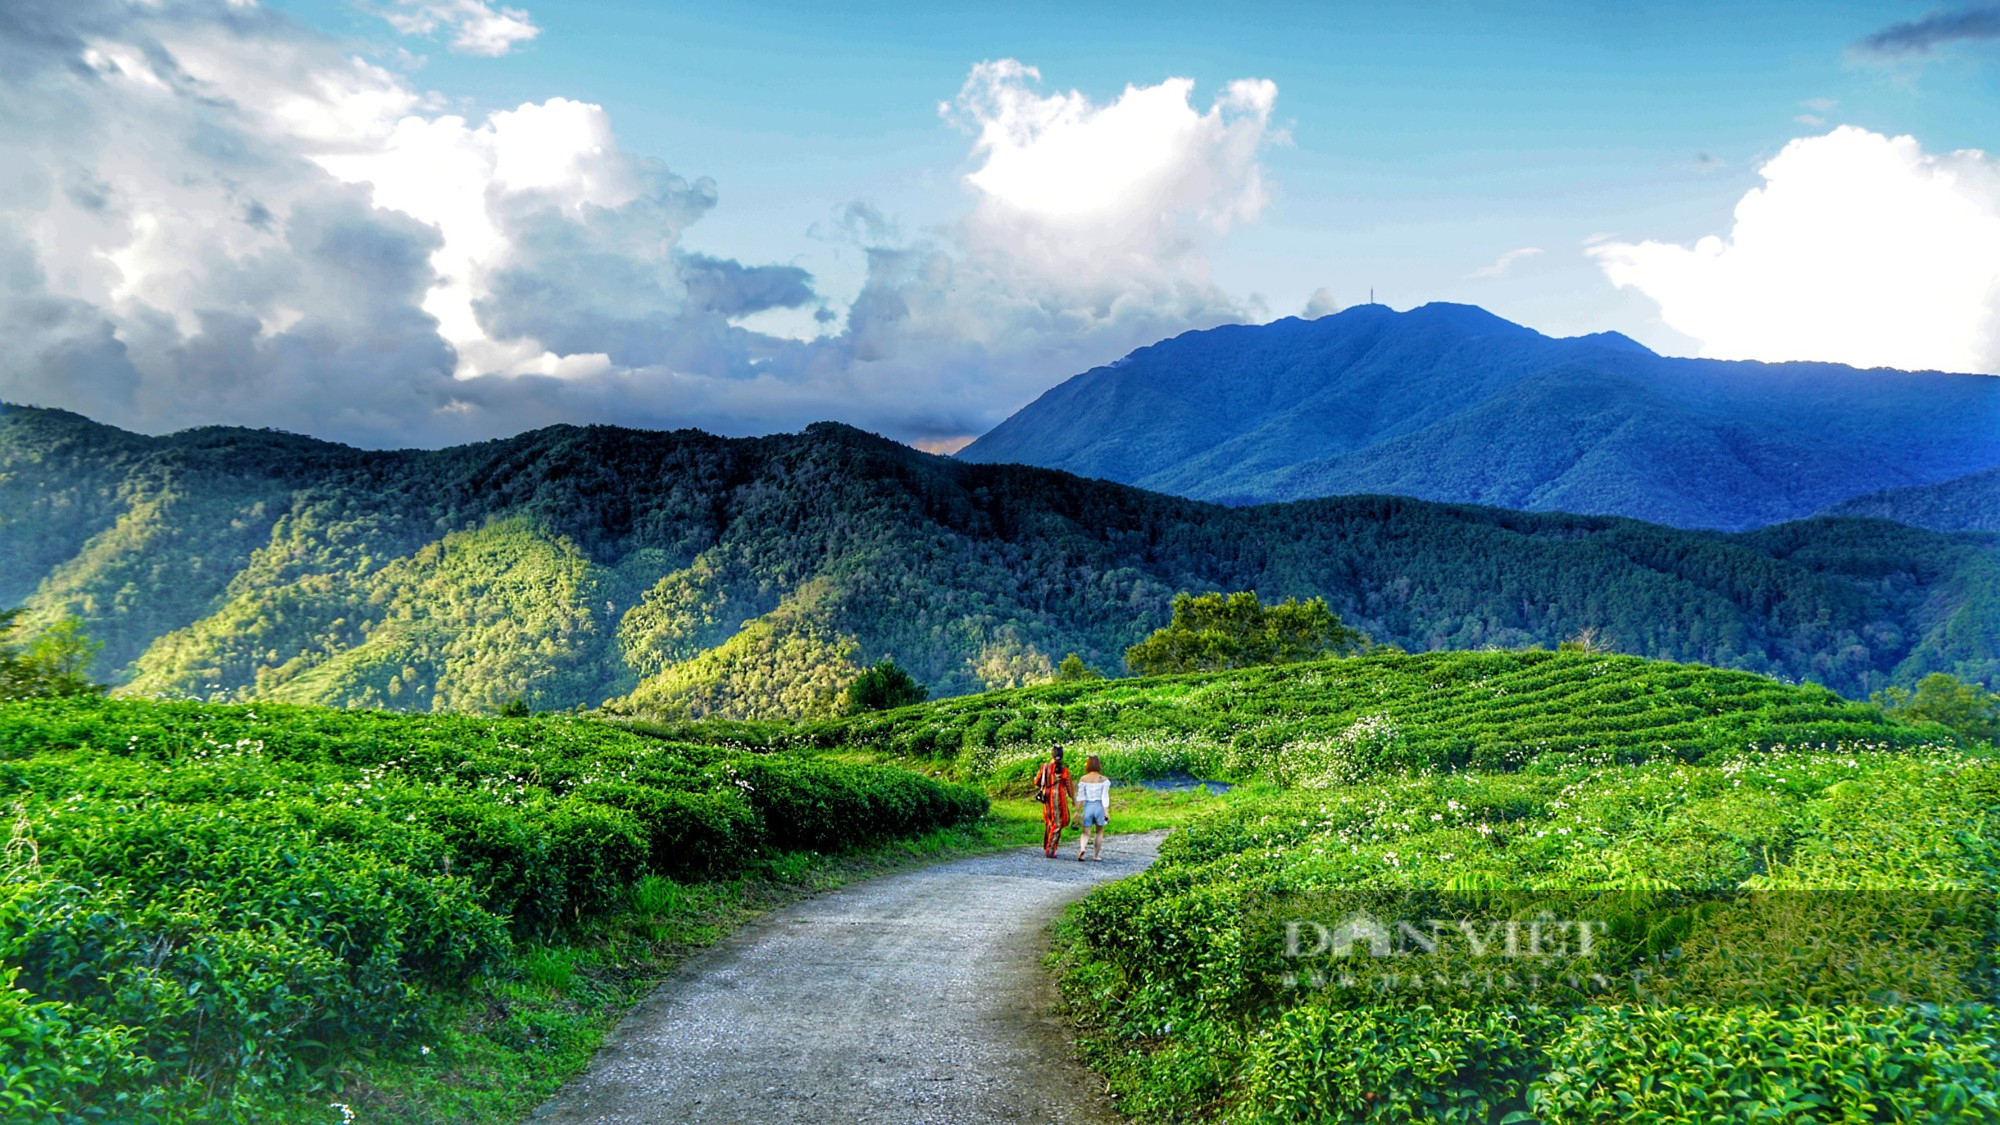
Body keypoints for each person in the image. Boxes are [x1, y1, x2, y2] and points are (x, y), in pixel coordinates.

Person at [1035, 745, 1073, 859]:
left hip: (1046, 798)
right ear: (1062, 757)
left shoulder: (1044, 767)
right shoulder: (1064, 770)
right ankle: (1050, 848)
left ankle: (1047, 846)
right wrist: (1073, 799)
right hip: (1059, 798)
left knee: (1050, 821)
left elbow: (1036, 781)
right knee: (1058, 823)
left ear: (1051, 755)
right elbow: (1069, 786)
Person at [1074, 755, 1111, 861]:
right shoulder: (1104, 779)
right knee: (1099, 832)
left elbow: (1080, 797)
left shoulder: (1084, 779)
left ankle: (1082, 849)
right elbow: (1105, 796)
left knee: (1085, 832)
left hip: (1088, 806)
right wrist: (1106, 811)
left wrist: (1077, 811)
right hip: (1099, 806)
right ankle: (1096, 855)